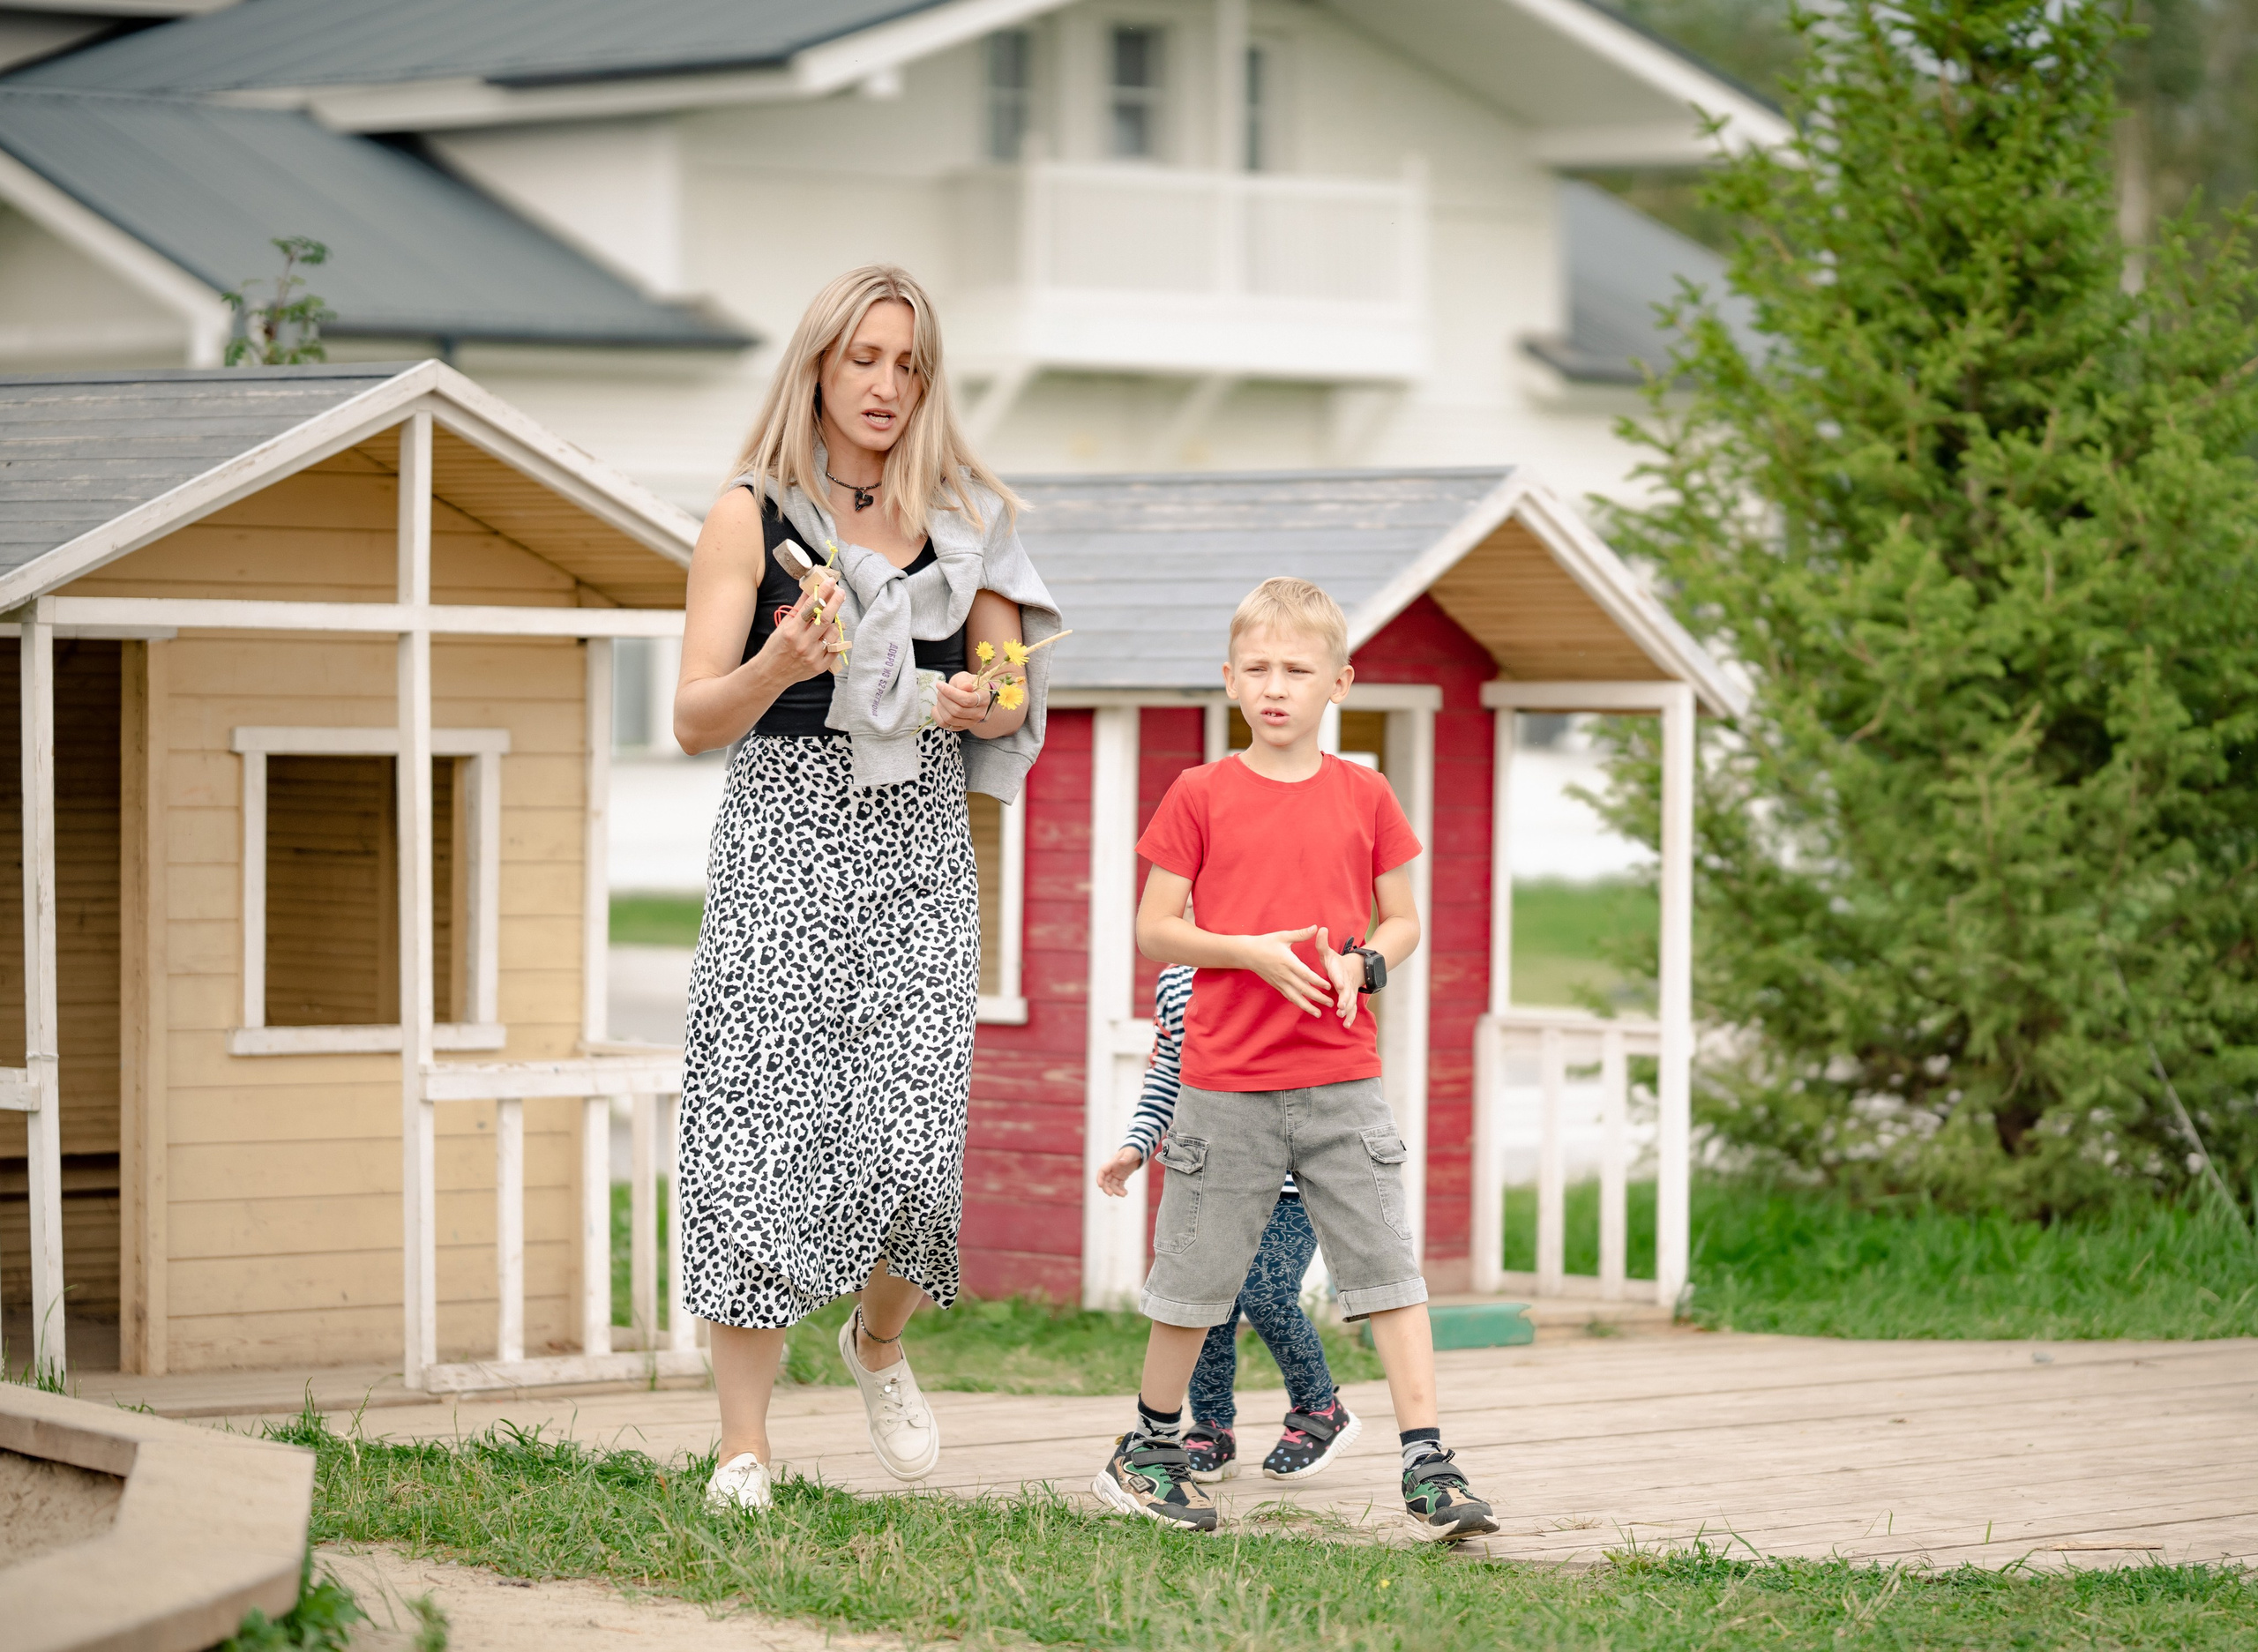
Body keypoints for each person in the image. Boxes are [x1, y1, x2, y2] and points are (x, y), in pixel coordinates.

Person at [671, 265, 1062, 1514]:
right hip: (783, 837)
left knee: (914, 1144)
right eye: (865, 360)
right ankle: (745, 1446)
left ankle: (878, 1340)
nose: (886, 386)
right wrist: (779, 656)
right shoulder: (750, 517)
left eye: (909, 365)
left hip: (917, 845)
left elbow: (1005, 680)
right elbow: (691, 718)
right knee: (759, 1134)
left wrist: (975, 697)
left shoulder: (969, 518)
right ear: (820, 368)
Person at [1088, 577, 1499, 1542]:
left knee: (1389, 1273)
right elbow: (1155, 929)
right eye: (1258, 669)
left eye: (1297, 670)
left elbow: (1403, 921)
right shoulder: (1198, 794)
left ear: (1339, 683)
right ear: (1229, 679)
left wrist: (1363, 967)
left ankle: (1427, 1462)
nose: (1276, 687)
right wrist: (1249, 951)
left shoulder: (1367, 794)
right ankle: (1146, 1449)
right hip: (1224, 1087)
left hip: (1342, 1081)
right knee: (1192, 1280)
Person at [1096, 962, 1360, 1482]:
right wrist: (1136, 1147)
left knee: (1265, 1293)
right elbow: (1166, 1076)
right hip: (1211, 1175)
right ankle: (1211, 1429)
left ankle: (1320, 1408)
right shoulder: (1176, 980)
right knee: (1203, 1303)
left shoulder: (1291, 960)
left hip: (1291, 1178)